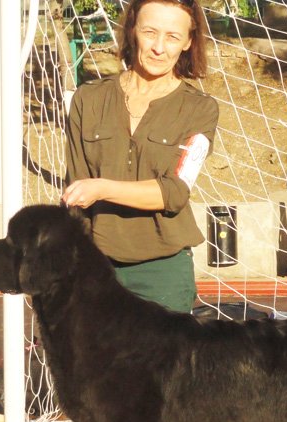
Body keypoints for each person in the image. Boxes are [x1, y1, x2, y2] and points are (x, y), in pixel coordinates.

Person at [61, 0, 219, 313]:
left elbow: (174, 192)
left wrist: (102, 188)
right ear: (133, 31)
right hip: (94, 267)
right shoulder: (88, 99)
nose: (159, 47)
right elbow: (75, 192)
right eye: (150, 32)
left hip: (163, 273)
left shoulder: (201, 109)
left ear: (188, 42)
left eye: (173, 37)